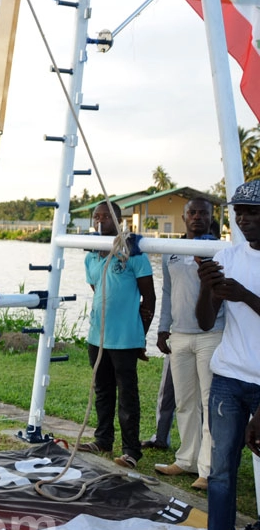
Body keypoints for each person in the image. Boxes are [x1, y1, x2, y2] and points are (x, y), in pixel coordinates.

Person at [188, 180, 260, 530]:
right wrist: (207, 289)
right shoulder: (227, 256)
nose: (245, 218)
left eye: (254, 211)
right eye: (240, 211)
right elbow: (203, 322)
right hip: (229, 378)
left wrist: (245, 295)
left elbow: (246, 300)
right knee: (220, 471)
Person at [77, 201, 155, 469]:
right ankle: (103, 439)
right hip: (96, 337)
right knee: (102, 390)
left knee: (127, 395)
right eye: (95, 216)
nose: (100, 221)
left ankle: (131, 450)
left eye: (105, 217)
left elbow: (149, 298)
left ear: (118, 220)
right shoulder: (91, 256)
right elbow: (97, 287)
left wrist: (141, 337)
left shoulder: (133, 253)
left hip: (125, 339)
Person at [153, 197, 222, 491]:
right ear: (184, 217)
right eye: (191, 213)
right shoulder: (173, 251)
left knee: (209, 404)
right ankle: (185, 460)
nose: (197, 217)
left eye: (202, 213)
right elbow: (168, 294)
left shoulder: (219, 251)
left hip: (211, 335)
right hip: (179, 335)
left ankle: (207, 470)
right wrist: (162, 328)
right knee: (184, 402)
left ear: (210, 217)